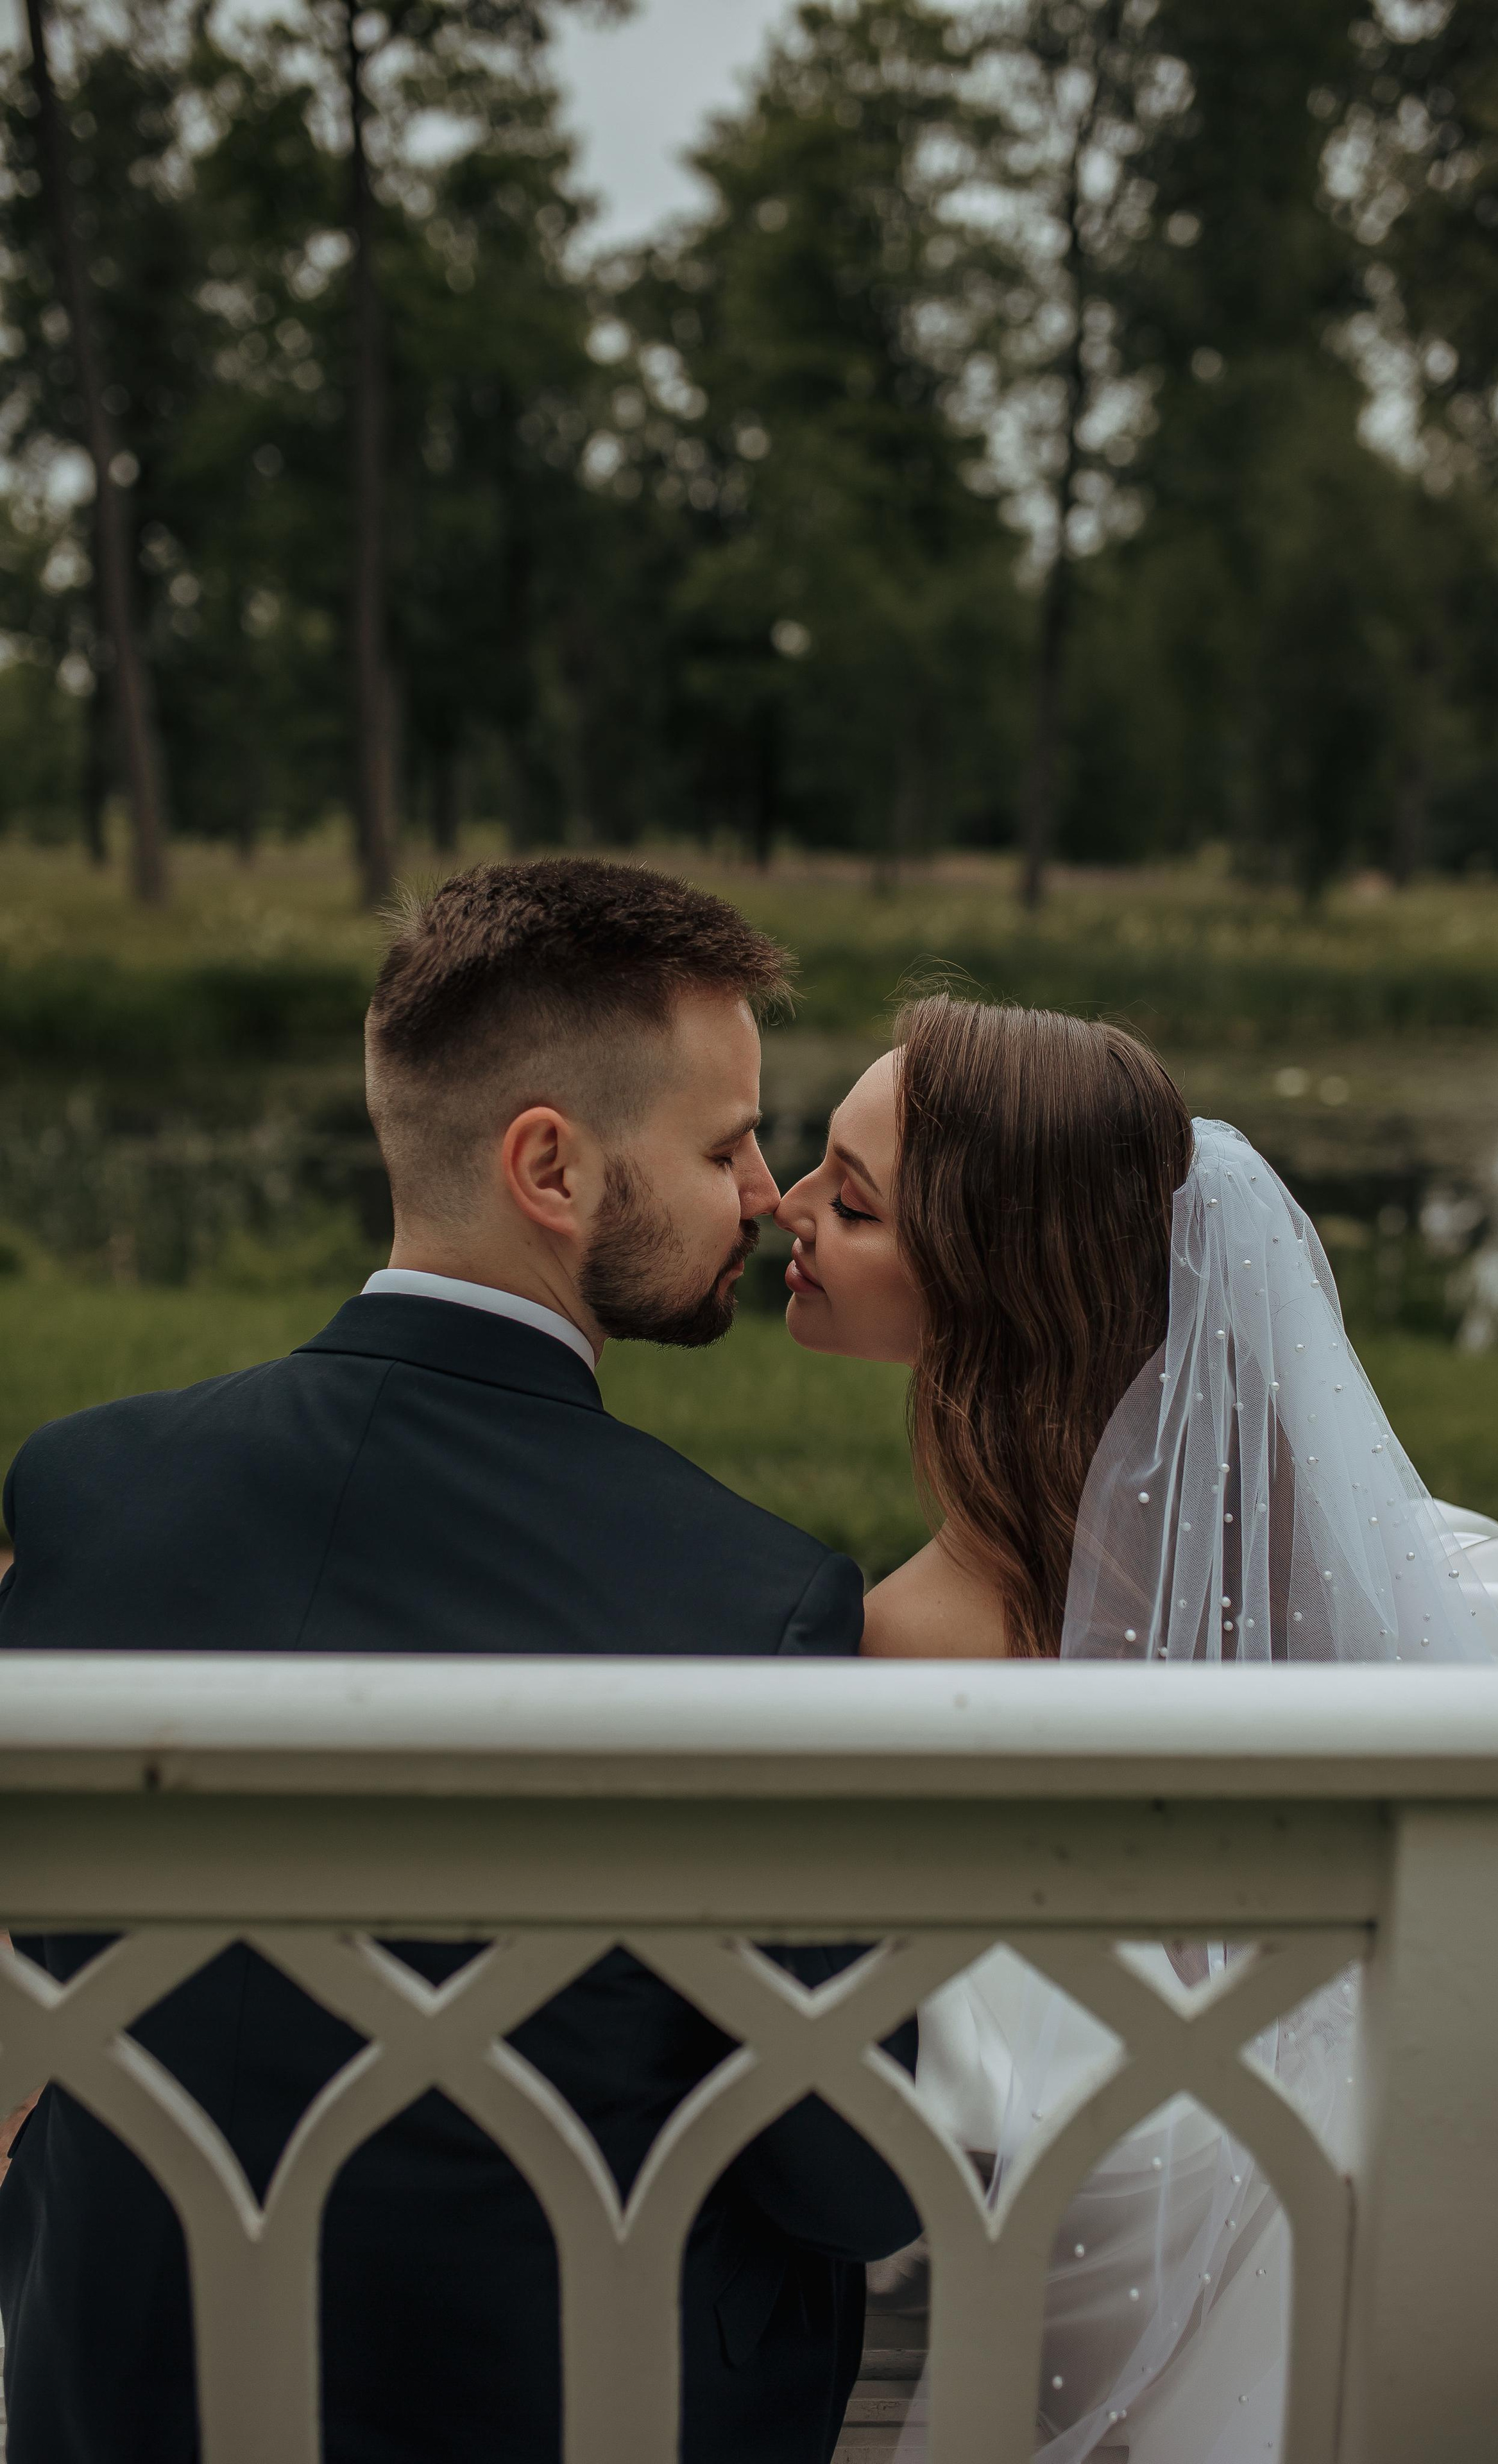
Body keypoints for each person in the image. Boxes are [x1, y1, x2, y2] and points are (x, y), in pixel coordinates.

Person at [0, 857, 918, 2464]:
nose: (766, 1193)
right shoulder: (746, 1603)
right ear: (549, 1168)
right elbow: (850, 2176)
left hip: (105, 2398)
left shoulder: (88, 1489)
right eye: (723, 1145)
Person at [775, 989, 1498, 2461]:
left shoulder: (882, 1645)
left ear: (981, 1283)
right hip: (1427, 2258)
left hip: (1102, 2279)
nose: (781, 1207)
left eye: (846, 1203)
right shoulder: (1409, 1584)